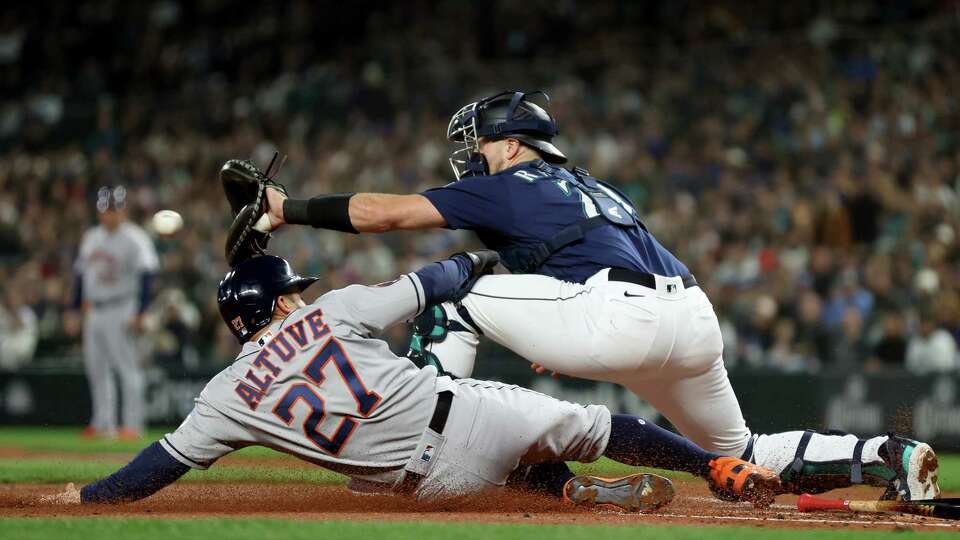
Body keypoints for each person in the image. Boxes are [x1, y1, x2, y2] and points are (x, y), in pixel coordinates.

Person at [249, 90, 940, 501]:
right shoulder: (588, 185)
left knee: (456, 289)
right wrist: (555, 319)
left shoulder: (507, 182)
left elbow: (388, 214)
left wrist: (289, 209)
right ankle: (890, 454)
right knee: (750, 449)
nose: (471, 158)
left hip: (614, 314)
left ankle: (418, 450)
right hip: (690, 317)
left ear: (510, 142)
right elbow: (573, 256)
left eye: (479, 145)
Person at [42, 253, 780, 509]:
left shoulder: (225, 396)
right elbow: (433, 283)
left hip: (420, 488)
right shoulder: (332, 311)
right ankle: (712, 464)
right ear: (281, 302)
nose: (300, 293)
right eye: (290, 289)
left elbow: (158, 466)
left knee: (493, 482)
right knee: (595, 426)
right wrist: (476, 263)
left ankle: (566, 492)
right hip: (464, 415)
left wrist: (90, 497)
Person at [72, 186, 159, 439]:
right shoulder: (91, 237)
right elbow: (80, 275)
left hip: (122, 307)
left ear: (123, 211)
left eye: (113, 209)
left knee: (127, 367)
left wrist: (141, 311)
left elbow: (147, 274)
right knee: (96, 368)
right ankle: (102, 424)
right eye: (104, 210)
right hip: (94, 310)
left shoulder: (135, 238)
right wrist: (75, 307)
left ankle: (132, 425)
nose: (108, 214)